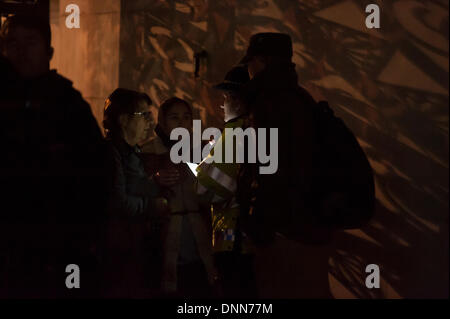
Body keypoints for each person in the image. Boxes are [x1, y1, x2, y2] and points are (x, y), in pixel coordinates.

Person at [0, 14, 107, 298]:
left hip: (58, 238)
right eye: (12, 43)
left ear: (48, 51)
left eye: (30, 42)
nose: (20, 51)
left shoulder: (67, 104)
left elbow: (98, 172)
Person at [237, 32, 333, 298]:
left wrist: (257, 224)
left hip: (282, 227)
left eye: (251, 62)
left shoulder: (267, 102)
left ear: (263, 62)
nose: (248, 69)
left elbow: (267, 170)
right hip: (312, 222)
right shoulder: (301, 97)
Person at [140, 97, 218, 298]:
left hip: (198, 234)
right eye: (174, 118)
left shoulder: (202, 150)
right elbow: (135, 192)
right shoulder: (146, 152)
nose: (181, 123)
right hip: (163, 235)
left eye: (186, 117)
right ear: (163, 122)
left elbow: (214, 193)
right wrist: (155, 180)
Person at [196, 66, 257, 298]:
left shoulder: (234, 134)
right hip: (252, 238)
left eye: (226, 98)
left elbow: (206, 189)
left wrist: (203, 167)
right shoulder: (257, 131)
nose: (222, 105)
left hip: (232, 238)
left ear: (237, 101)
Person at [102, 88, 169, 298]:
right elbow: (118, 202)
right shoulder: (109, 153)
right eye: (144, 115)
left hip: (135, 248)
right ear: (123, 119)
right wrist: (154, 205)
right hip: (117, 252)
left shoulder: (134, 151)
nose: (150, 123)